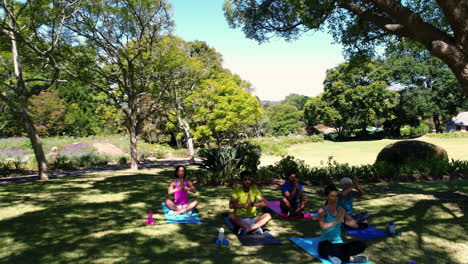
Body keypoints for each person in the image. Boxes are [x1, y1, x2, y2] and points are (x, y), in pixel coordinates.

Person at [318, 185, 368, 264]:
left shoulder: (341, 209)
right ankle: (351, 259)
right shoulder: (322, 210)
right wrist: (337, 220)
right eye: (332, 196)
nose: (335, 198)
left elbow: (354, 225)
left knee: (361, 244)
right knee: (331, 249)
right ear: (326, 197)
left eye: (337, 196)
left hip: (339, 244)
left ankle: (334, 256)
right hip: (325, 243)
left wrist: (346, 221)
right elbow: (323, 226)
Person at [228, 170, 271, 235]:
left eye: (249, 179)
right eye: (245, 179)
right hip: (240, 219)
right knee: (231, 215)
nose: (247, 181)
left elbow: (266, 203)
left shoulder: (254, 190)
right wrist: (244, 205)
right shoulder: (237, 191)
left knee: (268, 216)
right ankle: (253, 229)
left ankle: (247, 230)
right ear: (242, 181)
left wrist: (252, 204)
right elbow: (231, 205)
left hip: (253, 219)